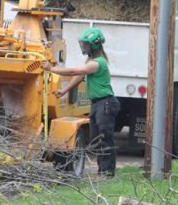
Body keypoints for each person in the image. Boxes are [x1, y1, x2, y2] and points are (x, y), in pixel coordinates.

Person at [41, 27, 120, 177]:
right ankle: (102, 171)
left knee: (105, 138)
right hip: (97, 104)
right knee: (97, 140)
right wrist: (64, 91)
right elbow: (78, 76)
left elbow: (74, 71)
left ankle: (107, 172)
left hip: (106, 103)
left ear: (95, 45)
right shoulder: (90, 62)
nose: (83, 47)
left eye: (86, 44)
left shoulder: (98, 63)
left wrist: (52, 68)